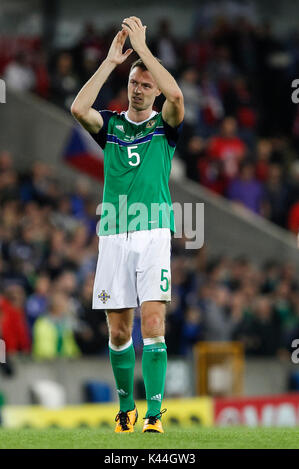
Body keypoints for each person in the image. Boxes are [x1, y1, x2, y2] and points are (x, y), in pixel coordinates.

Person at [71, 16, 184, 434]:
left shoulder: (165, 127)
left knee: (153, 322)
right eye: (134, 83)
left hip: (153, 232)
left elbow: (175, 93)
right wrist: (110, 61)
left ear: (153, 90)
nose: (138, 88)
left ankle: (154, 415)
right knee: (119, 332)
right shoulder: (112, 125)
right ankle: (126, 408)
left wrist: (145, 50)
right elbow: (78, 109)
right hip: (114, 234)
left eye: (145, 84)